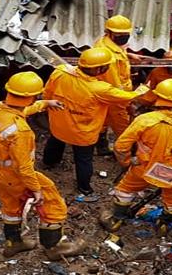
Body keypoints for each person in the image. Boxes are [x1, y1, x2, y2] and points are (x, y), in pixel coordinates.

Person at [0, 71, 85, 260]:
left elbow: (21, 110)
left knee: (11, 207)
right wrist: (36, 189)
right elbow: (25, 168)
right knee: (52, 203)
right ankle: (54, 247)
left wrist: (46, 104)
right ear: (33, 96)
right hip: (15, 176)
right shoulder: (20, 132)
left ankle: (14, 243)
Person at [100, 78, 172, 233]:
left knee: (125, 190)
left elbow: (120, 146)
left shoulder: (146, 120)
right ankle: (163, 225)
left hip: (145, 167)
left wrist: (126, 161)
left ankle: (116, 220)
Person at [43, 47, 148, 200]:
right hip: (82, 132)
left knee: (56, 141)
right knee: (83, 160)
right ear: (99, 68)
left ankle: (48, 163)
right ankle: (85, 190)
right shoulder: (100, 89)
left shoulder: (60, 71)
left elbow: (47, 93)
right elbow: (127, 96)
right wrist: (144, 88)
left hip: (59, 122)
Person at [95, 15, 144, 140]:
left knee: (104, 118)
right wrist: (127, 100)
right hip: (115, 96)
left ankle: (101, 145)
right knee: (122, 125)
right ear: (109, 32)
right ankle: (126, 152)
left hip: (109, 93)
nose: (123, 36)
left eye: (125, 33)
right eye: (119, 34)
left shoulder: (107, 42)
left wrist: (129, 54)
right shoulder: (108, 56)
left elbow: (117, 52)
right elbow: (114, 84)